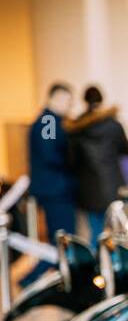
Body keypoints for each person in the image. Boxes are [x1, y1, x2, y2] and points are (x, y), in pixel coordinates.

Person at [24, 82, 77, 281]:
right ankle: (31, 278)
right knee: (62, 239)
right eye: (68, 101)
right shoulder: (48, 121)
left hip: (54, 189)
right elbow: (49, 154)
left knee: (61, 239)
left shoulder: (51, 121)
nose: (69, 107)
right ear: (57, 97)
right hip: (55, 190)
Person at [66, 85, 128, 240]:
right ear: (101, 99)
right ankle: (116, 263)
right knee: (117, 232)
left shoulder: (77, 128)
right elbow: (127, 149)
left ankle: (99, 263)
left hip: (88, 190)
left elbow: (72, 160)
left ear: (85, 101)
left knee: (96, 233)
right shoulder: (113, 125)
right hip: (113, 186)